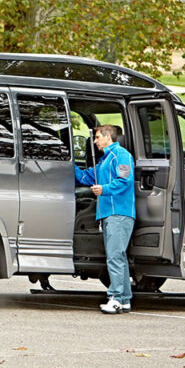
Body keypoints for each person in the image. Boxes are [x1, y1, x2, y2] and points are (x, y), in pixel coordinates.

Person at [74, 124, 135, 314]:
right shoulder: (103, 161)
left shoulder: (121, 155)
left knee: (115, 257)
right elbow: (85, 177)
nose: (95, 141)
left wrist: (104, 189)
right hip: (110, 214)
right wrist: (68, 165)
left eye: (98, 137)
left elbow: (125, 180)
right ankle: (124, 299)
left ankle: (115, 298)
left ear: (108, 137)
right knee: (119, 257)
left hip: (120, 214)